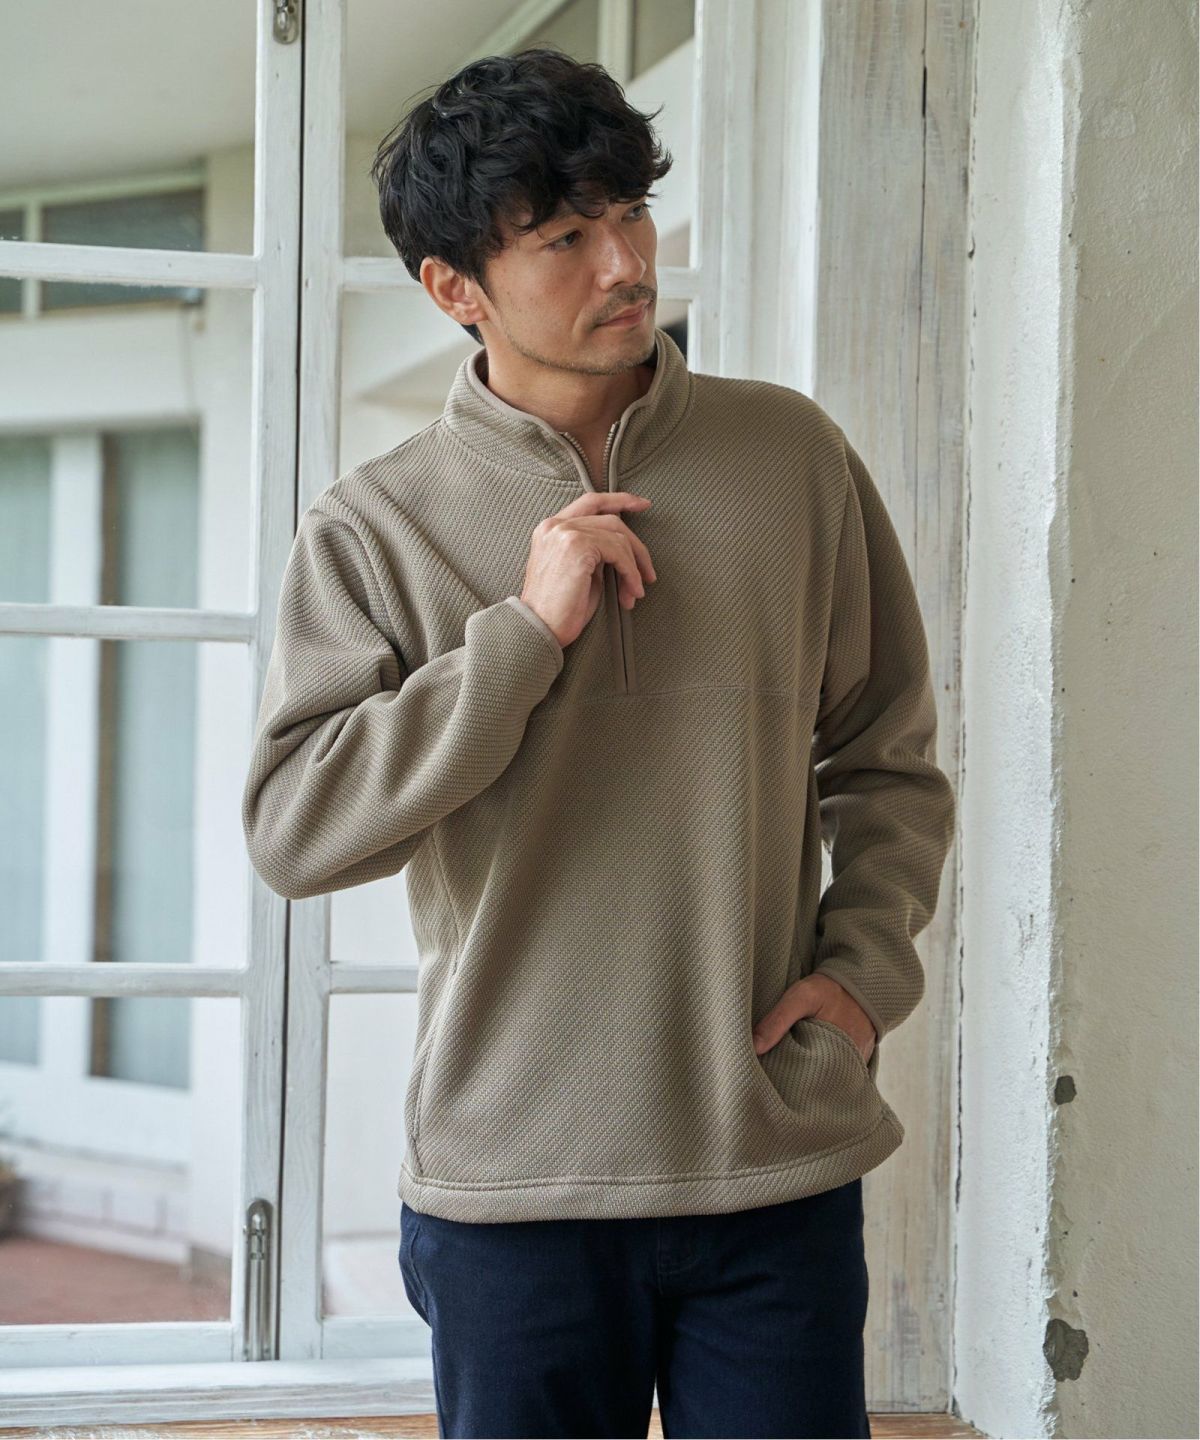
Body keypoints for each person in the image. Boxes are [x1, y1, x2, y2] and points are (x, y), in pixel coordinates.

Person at [242, 46, 957, 1440]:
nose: (625, 263)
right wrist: (519, 638)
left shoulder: (792, 459)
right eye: (566, 238)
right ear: (454, 288)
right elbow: (295, 832)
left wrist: (865, 977)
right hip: (512, 1190)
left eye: (629, 214)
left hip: (771, 1163)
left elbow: (886, 755)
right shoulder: (375, 525)